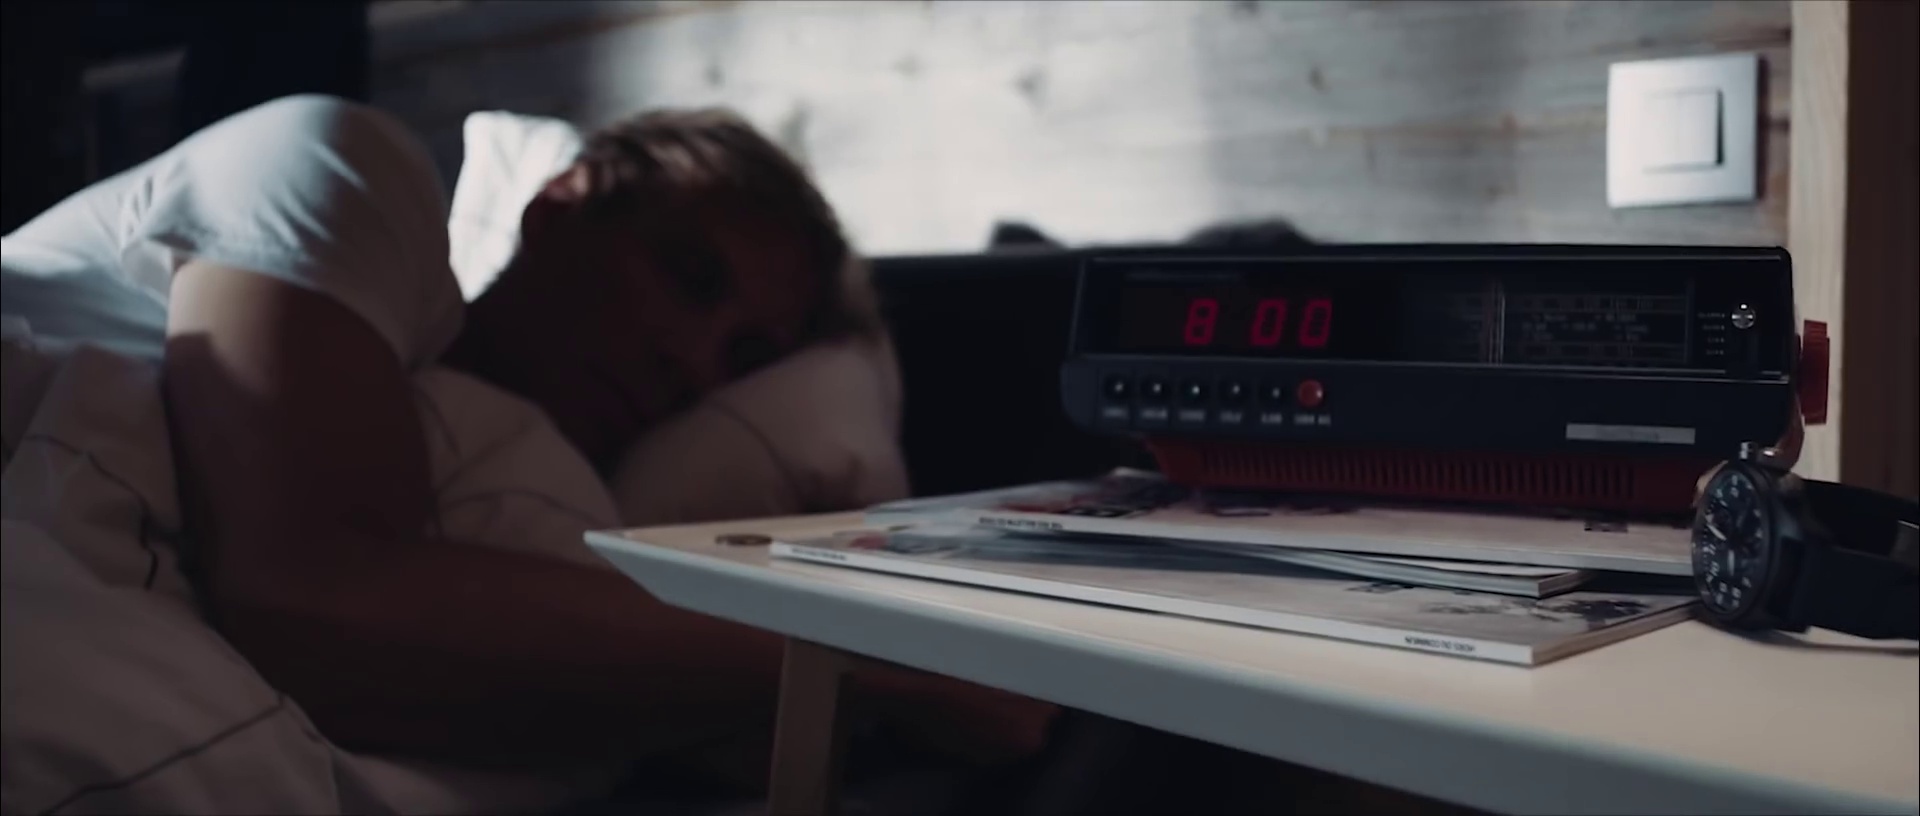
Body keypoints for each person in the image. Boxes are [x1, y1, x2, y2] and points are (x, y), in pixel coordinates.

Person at [0, 95, 1054, 799]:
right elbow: (316, 596)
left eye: (743, 357)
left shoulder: (535, 494)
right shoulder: (345, 166)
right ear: (560, 208)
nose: (694, 363)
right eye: (690, 276)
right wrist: (885, 660)